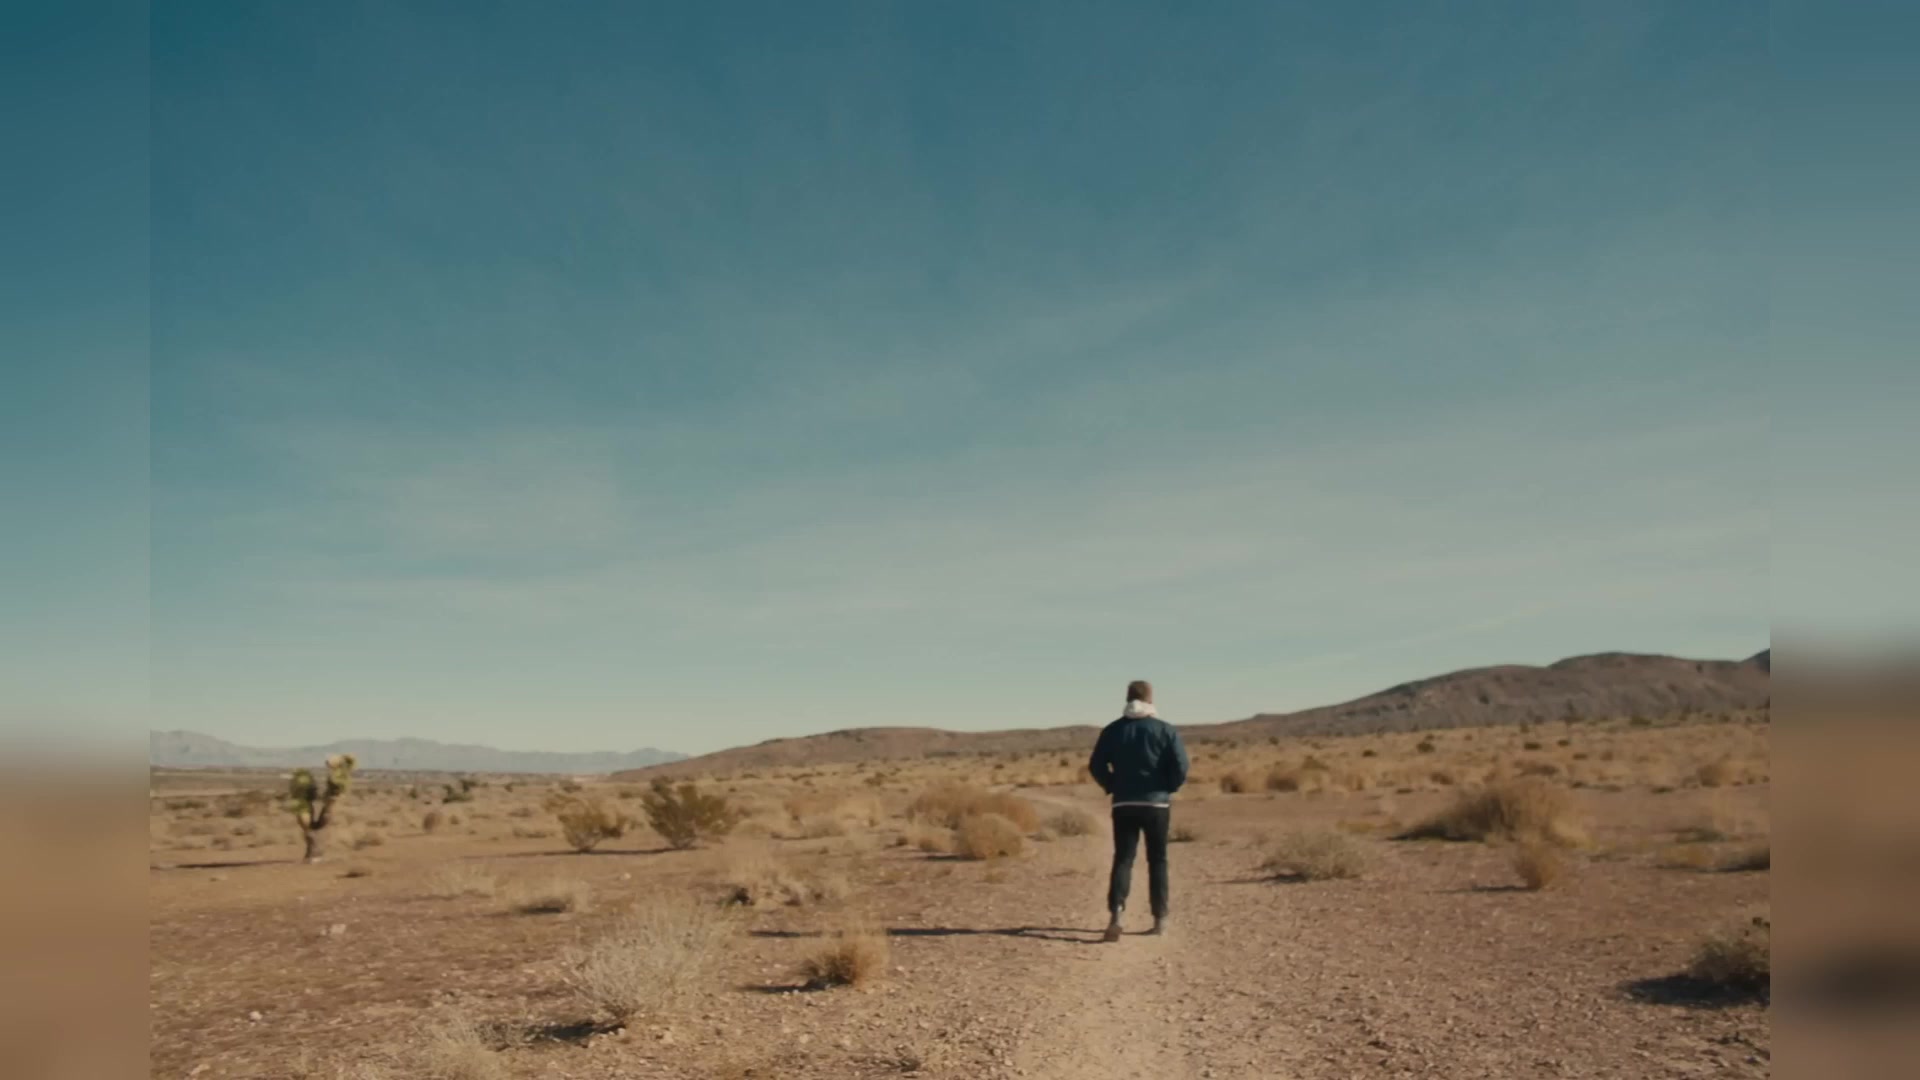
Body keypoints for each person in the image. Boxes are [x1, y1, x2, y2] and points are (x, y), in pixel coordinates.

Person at [1087, 679, 1190, 941]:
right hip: (1156, 804)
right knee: (1158, 859)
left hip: (1124, 803)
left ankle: (1116, 915)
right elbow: (1181, 765)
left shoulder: (1112, 731)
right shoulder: (1165, 730)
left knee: (1123, 858)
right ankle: (1160, 919)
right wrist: (1168, 787)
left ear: (1127, 698)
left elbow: (1096, 765)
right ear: (1150, 699)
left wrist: (1112, 785)